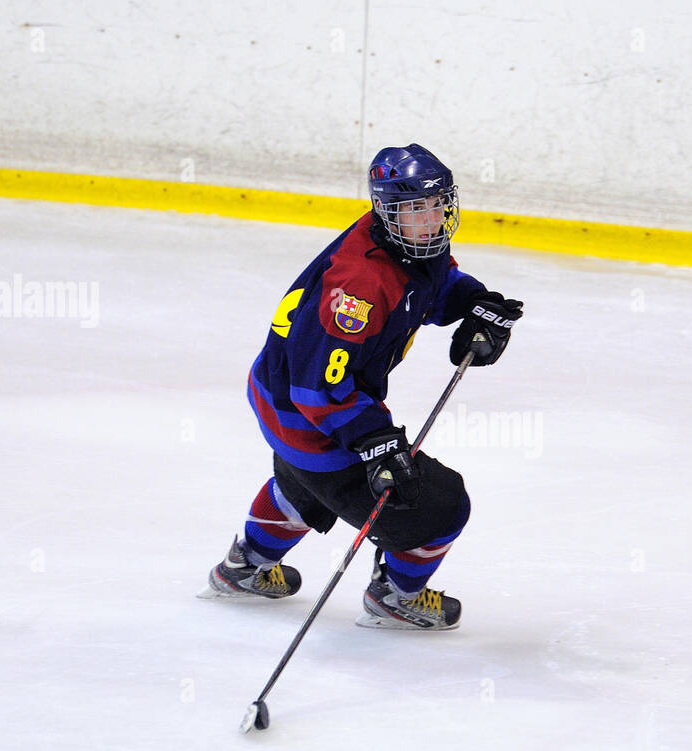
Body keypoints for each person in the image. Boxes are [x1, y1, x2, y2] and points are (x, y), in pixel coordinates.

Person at [203, 143, 523, 629]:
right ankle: (395, 597)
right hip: (303, 413)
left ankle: (244, 567)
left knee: (305, 486)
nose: (431, 219)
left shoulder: (402, 241)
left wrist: (475, 302)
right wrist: (373, 440)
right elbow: (317, 389)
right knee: (439, 505)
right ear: (388, 210)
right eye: (415, 208)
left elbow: (428, 288)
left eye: (437, 205)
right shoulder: (358, 285)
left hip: (276, 392)